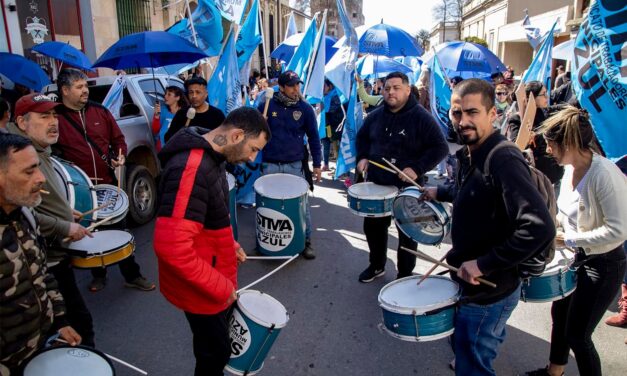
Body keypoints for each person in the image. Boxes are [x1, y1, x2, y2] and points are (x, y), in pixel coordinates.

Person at [423, 78, 555, 375]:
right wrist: (439, 192)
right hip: (468, 281)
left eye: (472, 113)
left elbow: (539, 227)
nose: (463, 121)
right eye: (457, 114)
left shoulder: (503, 158)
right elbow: (474, 191)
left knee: (473, 367)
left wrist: (483, 264)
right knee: (466, 351)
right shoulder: (472, 153)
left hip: (489, 290)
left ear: (493, 114)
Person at [153, 107, 270, 376]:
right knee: (214, 354)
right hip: (202, 289)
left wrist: (231, 245)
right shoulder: (191, 167)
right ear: (236, 135)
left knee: (213, 350)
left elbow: (209, 216)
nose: (252, 158)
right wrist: (221, 287)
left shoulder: (213, 156)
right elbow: (171, 248)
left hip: (208, 280)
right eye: (252, 149)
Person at [524, 107, 627, 376]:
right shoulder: (571, 168)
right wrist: (551, 228)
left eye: (551, 144)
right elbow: (564, 213)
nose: (548, 150)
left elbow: (619, 231)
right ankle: (553, 372)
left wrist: (568, 239)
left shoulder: (604, 174)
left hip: (603, 265)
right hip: (576, 258)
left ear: (568, 143)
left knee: (579, 336)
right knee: (560, 317)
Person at [54, 68, 155, 293]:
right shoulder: (55, 118)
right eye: (79, 87)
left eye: (86, 86)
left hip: (108, 185)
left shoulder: (100, 112)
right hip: (80, 192)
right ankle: (99, 274)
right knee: (92, 234)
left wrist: (120, 154)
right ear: (65, 90)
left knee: (120, 231)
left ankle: (133, 275)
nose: (85, 91)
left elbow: (118, 139)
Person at [7, 93, 96, 347]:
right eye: (44, 116)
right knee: (77, 330)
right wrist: (64, 225)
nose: (53, 121)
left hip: (48, 264)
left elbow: (39, 199)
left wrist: (67, 212)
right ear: (22, 122)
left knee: (75, 323)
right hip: (47, 259)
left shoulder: (38, 150)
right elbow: (24, 213)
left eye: (54, 115)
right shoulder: (15, 156)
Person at [0, 133, 82, 375]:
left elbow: (41, 273)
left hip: (39, 349)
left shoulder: (25, 213)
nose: (41, 179)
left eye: (38, 167)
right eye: (29, 172)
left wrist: (59, 321)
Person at [356, 71, 448, 282]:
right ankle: (377, 265)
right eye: (387, 88)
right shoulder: (375, 115)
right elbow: (362, 138)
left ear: (408, 90)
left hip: (407, 188)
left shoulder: (421, 117)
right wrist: (362, 157)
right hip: (377, 185)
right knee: (373, 229)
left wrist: (417, 168)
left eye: (396, 88)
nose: (391, 92)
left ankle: (404, 275)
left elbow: (440, 147)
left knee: (408, 234)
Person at [256, 70, 322, 260]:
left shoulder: (305, 108)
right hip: (270, 164)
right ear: (282, 87)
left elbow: (314, 137)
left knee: (301, 205)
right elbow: (254, 133)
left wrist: (317, 164)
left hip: (294, 165)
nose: (296, 89)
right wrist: (261, 123)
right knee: (267, 204)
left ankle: (306, 241)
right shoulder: (266, 104)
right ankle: (265, 241)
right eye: (292, 85)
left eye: (298, 85)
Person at [505, 81, 564, 186]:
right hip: (536, 178)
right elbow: (516, 145)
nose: (547, 97)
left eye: (547, 93)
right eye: (543, 94)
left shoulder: (544, 112)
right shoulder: (517, 119)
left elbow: (564, 107)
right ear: (532, 98)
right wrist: (529, 138)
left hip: (555, 174)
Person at [165, 77, 226, 142]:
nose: (194, 96)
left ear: (206, 94)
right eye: (191, 92)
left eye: (198, 92)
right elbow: (168, 138)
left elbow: (224, 139)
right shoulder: (182, 114)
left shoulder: (217, 115)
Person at [152, 86, 189, 151]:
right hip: (162, 146)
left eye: (169, 94)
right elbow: (155, 130)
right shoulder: (162, 110)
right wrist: (156, 116)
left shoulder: (185, 112)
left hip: (179, 147)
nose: (165, 96)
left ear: (177, 97)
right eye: (165, 94)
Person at [321, 79, 343, 172]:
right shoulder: (323, 97)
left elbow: (332, 110)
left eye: (324, 86)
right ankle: (326, 165)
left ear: (330, 87)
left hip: (334, 127)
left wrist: (322, 107)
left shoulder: (336, 96)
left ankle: (340, 171)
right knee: (325, 144)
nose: (322, 88)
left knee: (336, 147)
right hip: (326, 125)